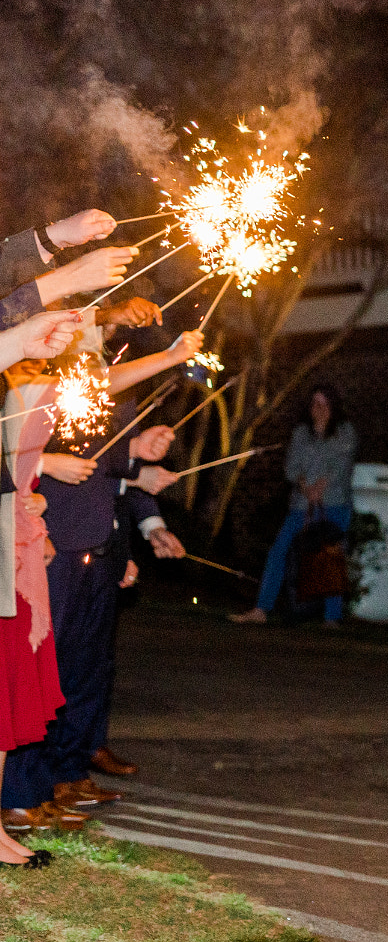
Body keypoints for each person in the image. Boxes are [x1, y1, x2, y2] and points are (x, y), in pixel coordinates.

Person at [8, 316, 198, 817]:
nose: (94, 347)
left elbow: (108, 467)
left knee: (82, 668)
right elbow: (29, 453)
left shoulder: (91, 392)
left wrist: (138, 469)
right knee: (39, 669)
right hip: (48, 544)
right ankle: (24, 789)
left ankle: (62, 775)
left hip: (94, 542)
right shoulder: (35, 384)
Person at [0, 309, 89, 858]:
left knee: (7, 691)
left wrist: (28, 497)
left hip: (13, 545)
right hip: (5, 550)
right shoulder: (17, 397)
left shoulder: (26, 396)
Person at [232, 383, 359, 628]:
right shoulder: (302, 433)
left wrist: (321, 486)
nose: (318, 409)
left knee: (329, 555)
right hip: (301, 505)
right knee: (278, 551)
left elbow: (341, 464)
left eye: (324, 404)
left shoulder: (345, 432)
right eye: (314, 404)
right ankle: (261, 609)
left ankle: (332, 617)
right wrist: (305, 487)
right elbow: (291, 466)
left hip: (334, 504)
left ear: (333, 407)